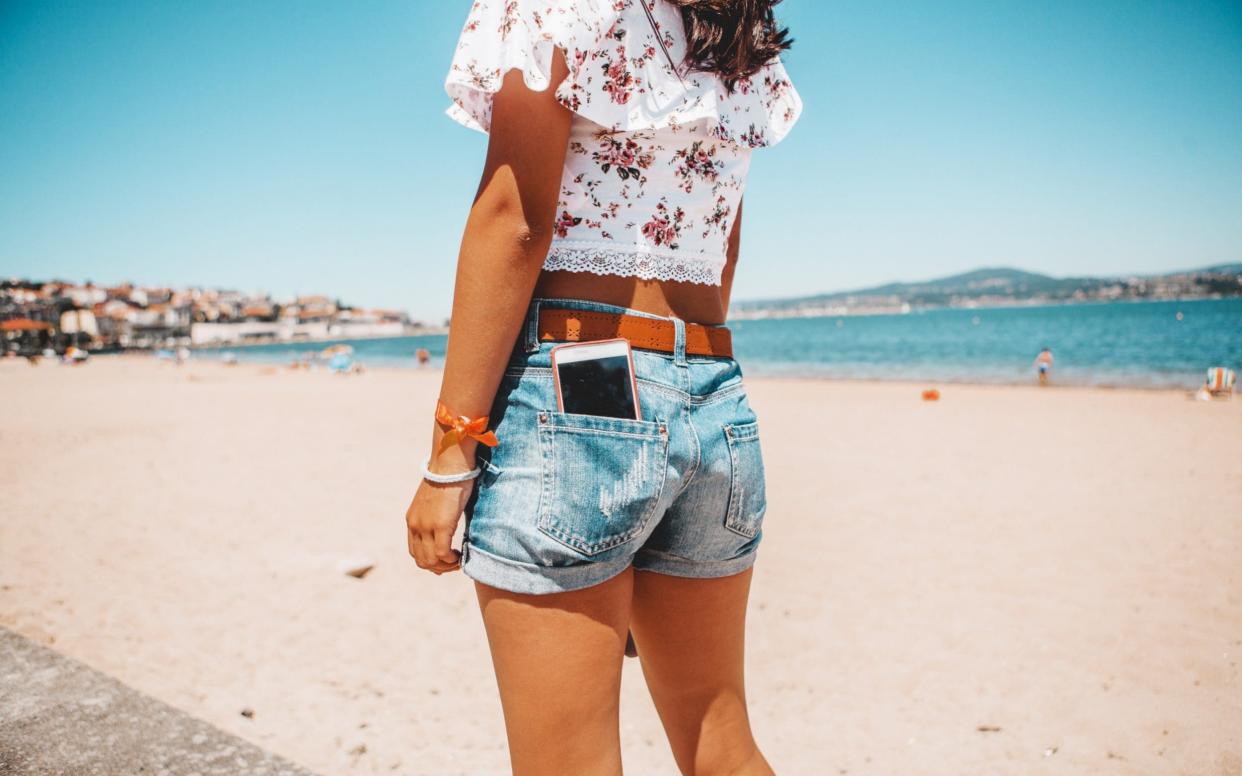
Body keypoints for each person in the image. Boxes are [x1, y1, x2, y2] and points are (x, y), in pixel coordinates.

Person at [404, 1, 802, 773]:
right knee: (723, 748)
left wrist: (449, 454)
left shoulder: (560, 8)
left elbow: (515, 221)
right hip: (713, 390)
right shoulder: (740, 33)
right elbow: (719, 256)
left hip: (580, 385)